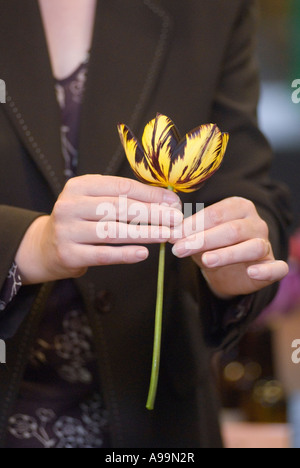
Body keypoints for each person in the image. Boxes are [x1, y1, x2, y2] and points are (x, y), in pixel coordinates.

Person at [0, 0, 291, 448]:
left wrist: (235, 261)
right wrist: (30, 245)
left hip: (157, 428)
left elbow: (249, 188)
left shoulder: (213, 9)